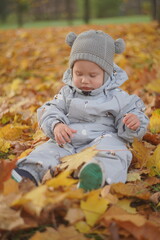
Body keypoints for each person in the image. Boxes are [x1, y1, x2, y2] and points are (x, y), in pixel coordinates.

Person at [12, 30, 149, 191]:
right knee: (47, 150)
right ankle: (27, 173)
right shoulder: (67, 93)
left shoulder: (118, 97)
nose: (84, 80)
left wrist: (132, 123)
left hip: (103, 139)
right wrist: (56, 125)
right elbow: (50, 108)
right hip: (69, 140)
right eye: (78, 73)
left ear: (106, 74)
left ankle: (98, 176)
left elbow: (134, 114)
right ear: (71, 71)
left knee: (116, 152)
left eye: (92, 75)